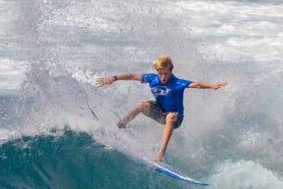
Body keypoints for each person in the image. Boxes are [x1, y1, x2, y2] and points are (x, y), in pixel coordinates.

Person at [96, 55, 227, 163]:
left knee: (171, 116)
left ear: (171, 70)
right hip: (159, 111)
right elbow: (131, 76)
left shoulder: (178, 83)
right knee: (140, 105)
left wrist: (212, 86)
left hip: (176, 118)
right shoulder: (152, 79)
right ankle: (120, 126)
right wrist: (113, 78)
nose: (163, 77)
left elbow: (197, 84)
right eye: (160, 73)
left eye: (166, 73)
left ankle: (161, 152)